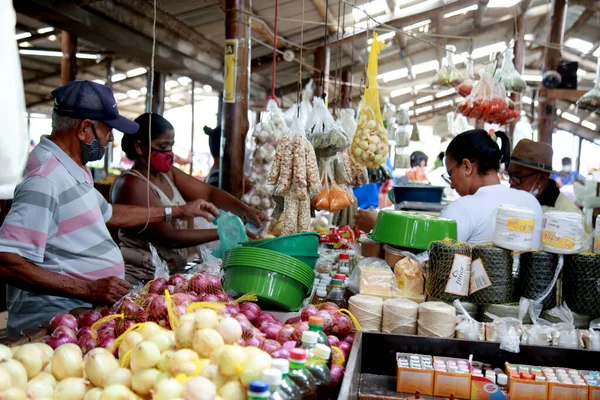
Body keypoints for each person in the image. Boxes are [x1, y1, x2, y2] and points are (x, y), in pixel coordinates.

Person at [0, 81, 219, 335]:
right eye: (107, 130)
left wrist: (178, 211)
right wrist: (88, 289)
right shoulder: (45, 179)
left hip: (78, 311)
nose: (111, 138)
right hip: (53, 322)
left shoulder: (71, 167)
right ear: (84, 129)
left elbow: (110, 213)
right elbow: (7, 260)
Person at [111, 113, 267, 284]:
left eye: (171, 146)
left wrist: (245, 210)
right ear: (140, 147)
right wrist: (224, 232)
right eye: (163, 146)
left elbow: (209, 193)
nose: (169, 153)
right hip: (141, 281)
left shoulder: (167, 174)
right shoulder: (131, 183)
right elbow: (169, 236)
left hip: (170, 278)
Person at [440, 130, 543, 245]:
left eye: (450, 174)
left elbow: (434, 258)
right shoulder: (531, 202)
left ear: (466, 167)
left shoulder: (461, 209)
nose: (452, 185)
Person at [505, 139, 591, 249]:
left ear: (541, 178)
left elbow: (580, 259)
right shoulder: (509, 202)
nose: (510, 181)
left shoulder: (570, 215)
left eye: (517, 176)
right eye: (509, 175)